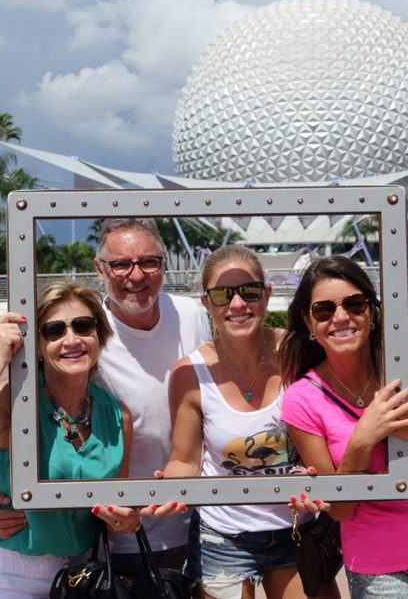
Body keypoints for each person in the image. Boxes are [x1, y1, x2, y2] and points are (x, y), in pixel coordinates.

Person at [0, 218, 211, 577]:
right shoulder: (85, 331)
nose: (136, 275)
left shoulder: (191, 315)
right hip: (116, 534)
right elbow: (43, 412)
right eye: (121, 264)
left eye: (149, 261)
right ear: (100, 269)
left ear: (163, 265)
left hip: (195, 518)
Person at [280, 255, 408, 599]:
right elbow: (341, 509)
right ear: (308, 321)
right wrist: (362, 440)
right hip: (376, 562)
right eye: (324, 310)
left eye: (354, 304)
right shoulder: (302, 399)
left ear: (372, 312)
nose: (341, 317)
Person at [0, 281, 138, 599]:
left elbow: (116, 504)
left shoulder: (116, 415)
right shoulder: (17, 403)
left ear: (99, 335)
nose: (72, 340)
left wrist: (126, 521)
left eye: (83, 326)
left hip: (86, 573)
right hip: (13, 574)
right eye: (54, 331)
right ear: (38, 346)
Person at [150, 245, 331, 599]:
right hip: (223, 535)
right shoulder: (188, 373)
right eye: (222, 295)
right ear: (206, 303)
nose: (237, 304)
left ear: (266, 294)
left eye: (249, 291)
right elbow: (184, 459)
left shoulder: (299, 353)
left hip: (298, 525)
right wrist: (170, 489)